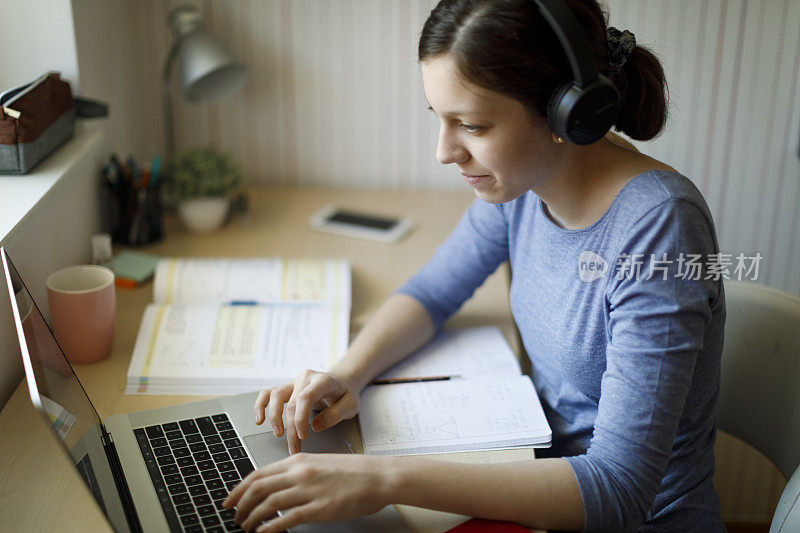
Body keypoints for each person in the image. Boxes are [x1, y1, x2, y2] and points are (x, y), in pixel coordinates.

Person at [223, 0, 726, 531]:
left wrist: (383, 479)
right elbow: (434, 292)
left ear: (565, 112)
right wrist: (347, 374)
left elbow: (619, 491)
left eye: (470, 125)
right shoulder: (524, 182)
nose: (444, 151)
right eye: (438, 118)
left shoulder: (660, 227)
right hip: (542, 481)